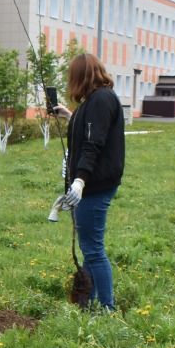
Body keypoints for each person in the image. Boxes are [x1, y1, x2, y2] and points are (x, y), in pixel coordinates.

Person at [52, 52, 125, 311]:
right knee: (89, 247)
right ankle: (91, 302)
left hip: (95, 186)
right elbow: (93, 131)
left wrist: (80, 181)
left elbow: (93, 144)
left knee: (93, 249)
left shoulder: (101, 100)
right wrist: (71, 116)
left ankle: (106, 307)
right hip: (94, 184)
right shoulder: (97, 100)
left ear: (80, 77)